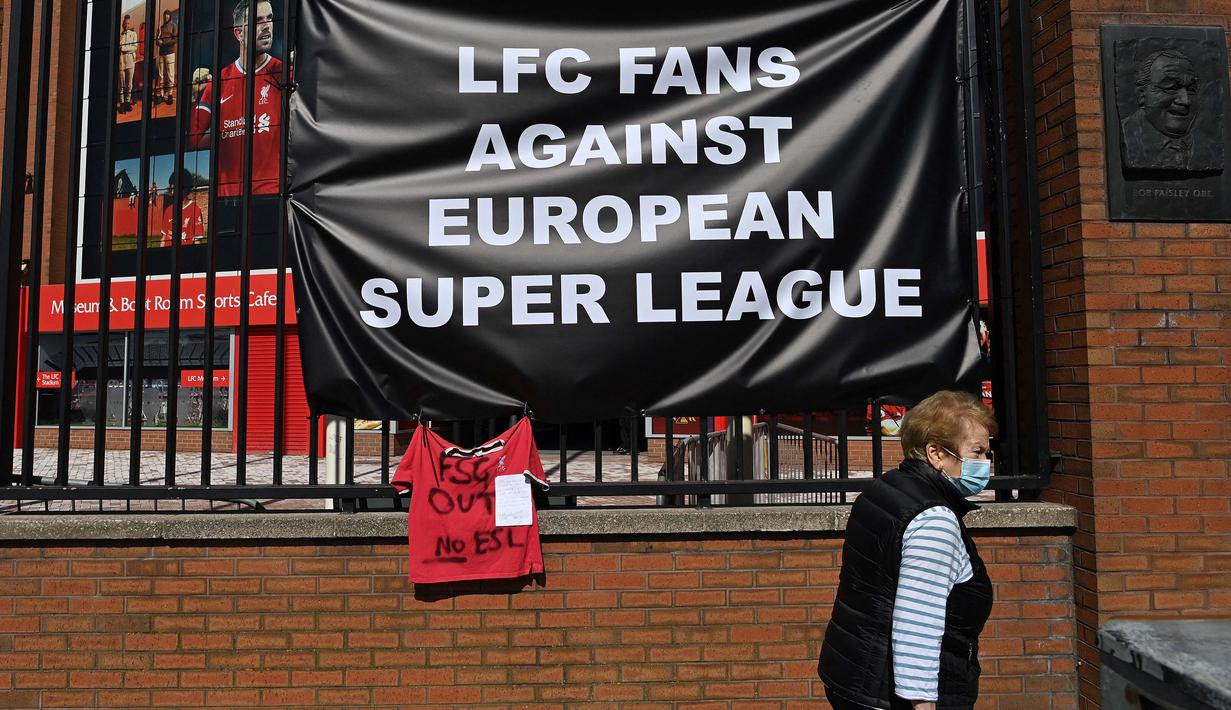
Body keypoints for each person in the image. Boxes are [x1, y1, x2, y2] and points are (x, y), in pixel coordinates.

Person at [819, 390, 996, 710]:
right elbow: (918, 623)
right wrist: (923, 703)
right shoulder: (934, 519)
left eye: (987, 452)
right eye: (977, 452)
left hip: (853, 676)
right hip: (891, 695)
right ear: (936, 453)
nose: (985, 463)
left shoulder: (887, 488)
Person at [188, 0, 283, 197]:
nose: (267, 26)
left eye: (270, 18)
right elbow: (194, 140)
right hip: (227, 199)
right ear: (239, 33)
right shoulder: (219, 81)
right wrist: (194, 97)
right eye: (258, 20)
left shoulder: (285, 74)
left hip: (272, 196)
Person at [1120, 48, 1214, 172]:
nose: (1185, 100)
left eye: (1191, 90)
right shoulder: (1126, 136)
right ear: (1142, 94)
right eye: (1171, 88)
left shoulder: (1211, 147)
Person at [155, 9, 177, 105]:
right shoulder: (161, 28)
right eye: (165, 15)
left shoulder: (173, 26)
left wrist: (163, 43)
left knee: (170, 74)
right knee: (161, 75)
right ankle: (161, 94)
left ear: (170, 16)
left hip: (170, 53)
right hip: (161, 54)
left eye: (168, 14)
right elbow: (157, 41)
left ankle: (170, 95)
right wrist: (158, 41)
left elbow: (174, 40)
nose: (166, 16)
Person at [117, 15, 139, 113]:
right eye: (125, 23)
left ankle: (127, 102)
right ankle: (122, 103)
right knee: (121, 84)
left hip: (130, 61)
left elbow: (134, 47)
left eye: (128, 23)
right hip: (121, 62)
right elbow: (119, 47)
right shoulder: (120, 35)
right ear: (123, 24)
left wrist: (124, 48)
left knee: (129, 84)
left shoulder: (133, 34)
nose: (127, 25)